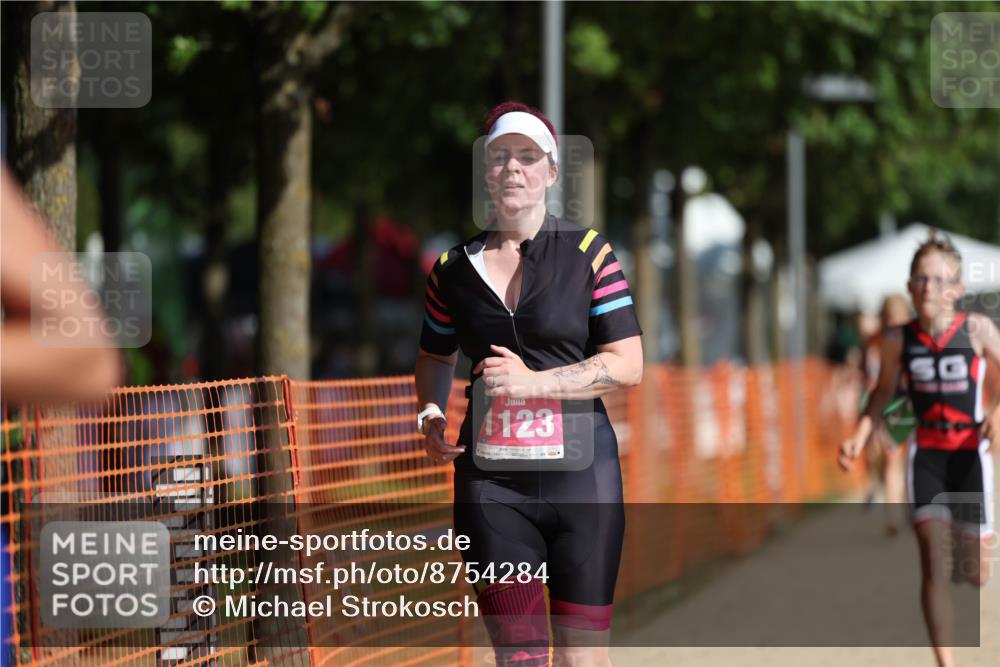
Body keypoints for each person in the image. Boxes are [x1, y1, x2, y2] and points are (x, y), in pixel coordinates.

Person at [414, 101, 643, 667]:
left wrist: (533, 382)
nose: (512, 168)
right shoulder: (451, 270)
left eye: (527, 156)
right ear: (485, 171)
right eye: (499, 156)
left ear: (551, 170)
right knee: (521, 659)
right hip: (493, 487)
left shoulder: (590, 255)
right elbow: (434, 355)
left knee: (581, 660)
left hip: (582, 485)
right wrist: (430, 413)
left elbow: (627, 364)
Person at [839, 230, 1000, 667]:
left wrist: (997, 414)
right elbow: (881, 394)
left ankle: (974, 542)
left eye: (939, 280)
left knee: (976, 572)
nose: (929, 288)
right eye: (921, 279)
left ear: (958, 289)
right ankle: (945, 662)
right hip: (926, 454)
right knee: (932, 561)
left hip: (970, 456)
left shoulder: (978, 330)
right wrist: (858, 437)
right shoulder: (897, 340)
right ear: (909, 287)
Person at [859, 293, 915, 536]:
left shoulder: (916, 339)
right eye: (889, 318)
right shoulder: (876, 341)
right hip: (883, 403)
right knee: (882, 456)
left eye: (897, 317)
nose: (893, 323)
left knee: (903, 457)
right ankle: (891, 510)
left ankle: (904, 508)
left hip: (909, 404)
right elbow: (869, 375)